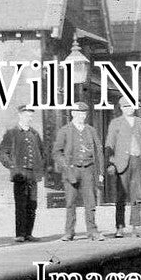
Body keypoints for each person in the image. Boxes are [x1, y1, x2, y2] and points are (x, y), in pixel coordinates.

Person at [52, 101, 105, 241]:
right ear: (72, 114)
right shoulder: (64, 130)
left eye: (84, 113)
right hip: (71, 171)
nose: (81, 116)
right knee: (70, 202)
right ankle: (69, 232)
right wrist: (66, 166)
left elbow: (99, 151)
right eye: (78, 113)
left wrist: (100, 172)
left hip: (88, 170)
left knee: (90, 202)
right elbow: (57, 152)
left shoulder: (91, 130)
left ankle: (92, 231)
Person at [104, 96, 141, 238]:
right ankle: (119, 227)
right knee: (121, 195)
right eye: (125, 106)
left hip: (137, 161)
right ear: (121, 108)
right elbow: (109, 145)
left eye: (130, 105)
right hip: (121, 163)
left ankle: (136, 226)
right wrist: (111, 163)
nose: (128, 109)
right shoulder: (115, 123)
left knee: (137, 195)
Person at [0, 106, 44, 242]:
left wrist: (40, 167)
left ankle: (29, 233)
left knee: (32, 204)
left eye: (30, 116)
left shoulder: (34, 134)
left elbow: (42, 153)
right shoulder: (11, 133)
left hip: (32, 175)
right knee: (21, 205)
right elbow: (2, 153)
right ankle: (20, 234)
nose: (29, 118)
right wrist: (13, 166)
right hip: (19, 175)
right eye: (26, 115)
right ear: (20, 115)